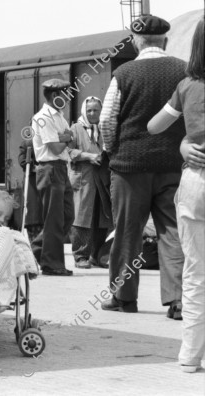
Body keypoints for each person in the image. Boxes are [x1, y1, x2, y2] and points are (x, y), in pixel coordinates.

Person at [99, 15, 186, 316]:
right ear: (165, 40)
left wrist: (114, 152)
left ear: (137, 41)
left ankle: (125, 299)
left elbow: (107, 119)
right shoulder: (184, 71)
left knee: (127, 233)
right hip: (173, 166)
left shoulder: (124, 72)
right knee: (172, 232)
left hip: (129, 168)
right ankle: (177, 300)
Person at [147, 16, 205, 373]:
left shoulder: (187, 86)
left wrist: (185, 142)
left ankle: (189, 355)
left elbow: (154, 126)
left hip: (196, 184)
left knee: (196, 275)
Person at [30, 79, 75, 276]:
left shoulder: (59, 117)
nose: (67, 98)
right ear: (56, 96)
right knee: (55, 218)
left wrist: (65, 138)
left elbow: (67, 141)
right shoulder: (43, 117)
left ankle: (38, 251)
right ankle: (52, 264)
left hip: (61, 168)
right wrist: (66, 137)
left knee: (66, 215)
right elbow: (56, 147)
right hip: (49, 168)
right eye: (65, 94)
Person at [68, 96, 112, 269]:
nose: (93, 113)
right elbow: (67, 150)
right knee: (82, 217)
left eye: (96, 110)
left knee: (102, 217)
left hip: (102, 178)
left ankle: (96, 255)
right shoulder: (74, 128)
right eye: (89, 110)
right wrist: (88, 156)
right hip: (83, 178)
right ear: (84, 112)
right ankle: (80, 256)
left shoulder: (104, 129)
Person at [18, 139, 43, 241]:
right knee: (34, 213)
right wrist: (34, 167)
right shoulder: (27, 143)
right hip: (33, 182)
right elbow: (23, 160)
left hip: (49, 182)